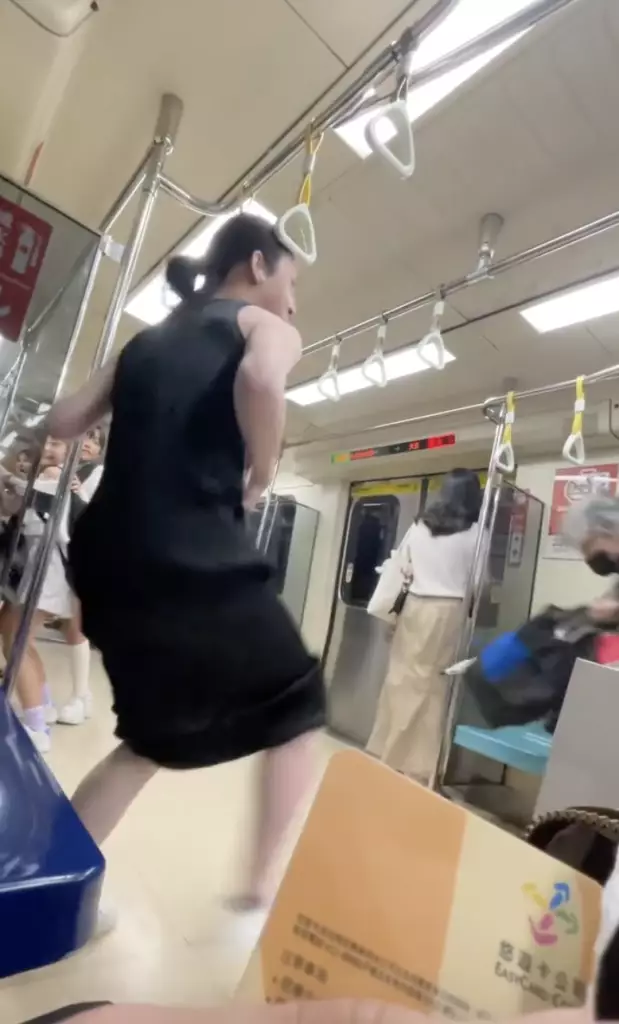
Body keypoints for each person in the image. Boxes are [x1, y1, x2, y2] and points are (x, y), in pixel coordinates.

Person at [43, 212, 326, 942]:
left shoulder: (146, 340)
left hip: (106, 557)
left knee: (149, 739)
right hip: (187, 549)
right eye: (291, 282)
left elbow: (64, 419)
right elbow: (261, 379)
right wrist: (261, 471)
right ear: (258, 265)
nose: (293, 302)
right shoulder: (262, 326)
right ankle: (256, 900)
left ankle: (44, 890)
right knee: (299, 707)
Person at [366, 469, 482, 782]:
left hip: (414, 606)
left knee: (401, 679)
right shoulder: (476, 534)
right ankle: (420, 765)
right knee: (433, 687)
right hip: (449, 611)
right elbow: (478, 582)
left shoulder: (420, 526)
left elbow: (402, 565)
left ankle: (389, 752)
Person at [1, 436, 75, 752]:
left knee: (17, 642)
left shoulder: (57, 477)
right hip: (35, 569)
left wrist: (7, 476)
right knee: (15, 635)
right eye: (46, 442)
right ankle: (42, 705)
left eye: (57, 444)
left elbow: (29, 494)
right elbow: (13, 507)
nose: (48, 448)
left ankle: (36, 726)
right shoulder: (44, 477)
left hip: (49, 571)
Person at [56, 425, 106, 725]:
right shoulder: (59, 467)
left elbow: (101, 514)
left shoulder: (98, 474)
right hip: (57, 554)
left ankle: (80, 695)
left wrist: (77, 492)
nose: (87, 444)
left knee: (76, 627)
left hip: (83, 556)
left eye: (94, 440)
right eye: (85, 437)